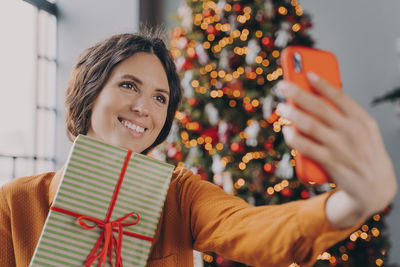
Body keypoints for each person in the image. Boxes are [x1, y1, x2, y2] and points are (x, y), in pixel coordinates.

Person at [0, 31, 397, 267]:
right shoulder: (14, 203)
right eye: (128, 85)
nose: (145, 108)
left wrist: (352, 203)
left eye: (160, 97)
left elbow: (250, 230)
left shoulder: (180, 193)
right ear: (89, 95)